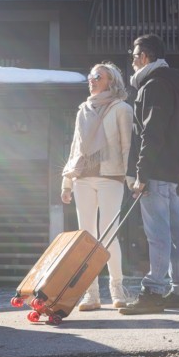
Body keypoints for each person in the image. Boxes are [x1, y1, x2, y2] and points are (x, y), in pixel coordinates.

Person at [120, 33, 179, 315]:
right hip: (169, 171)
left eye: (134, 55)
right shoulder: (171, 84)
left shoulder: (153, 86)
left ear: (145, 57)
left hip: (154, 172)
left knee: (158, 234)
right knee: (176, 234)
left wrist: (141, 173)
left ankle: (153, 291)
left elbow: (151, 133)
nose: (133, 60)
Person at [61, 62, 133, 311]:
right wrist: (67, 181)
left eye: (97, 76)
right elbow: (76, 146)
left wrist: (131, 178)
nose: (91, 79)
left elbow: (127, 146)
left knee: (108, 234)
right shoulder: (84, 109)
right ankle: (90, 293)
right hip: (83, 177)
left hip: (111, 176)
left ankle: (117, 286)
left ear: (110, 81)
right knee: (87, 236)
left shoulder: (121, 108)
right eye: (90, 75)